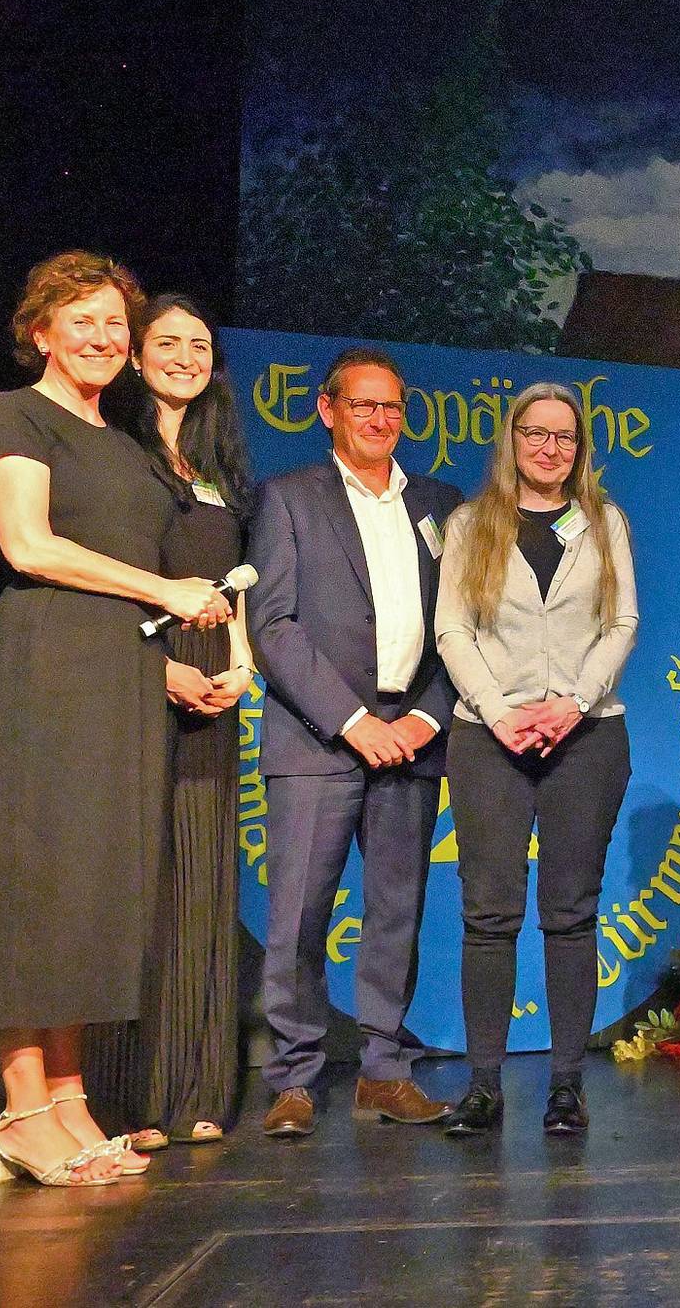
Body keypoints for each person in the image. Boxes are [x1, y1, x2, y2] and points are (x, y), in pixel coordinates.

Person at [0, 252, 231, 1187]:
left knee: (95, 889)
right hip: (47, 664)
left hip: (123, 675)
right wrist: (161, 587)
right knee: (37, 881)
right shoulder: (19, 414)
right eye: (82, 319)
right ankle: (22, 1109)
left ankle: (72, 1099)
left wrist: (171, 659)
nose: (103, 336)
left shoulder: (124, 445)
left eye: (115, 322)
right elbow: (28, 544)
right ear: (40, 331)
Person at [248, 346, 463, 1139]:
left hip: (412, 737)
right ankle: (295, 1078)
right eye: (364, 405)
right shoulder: (287, 499)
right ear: (328, 411)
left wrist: (426, 716)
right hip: (320, 739)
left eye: (392, 407)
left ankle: (384, 1070)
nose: (380, 419)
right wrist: (351, 720)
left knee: (396, 914)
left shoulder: (441, 502)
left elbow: (464, 629)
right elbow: (271, 623)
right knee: (299, 915)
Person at [434, 383, 639, 1139]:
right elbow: (451, 629)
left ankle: (564, 1086)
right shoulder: (470, 524)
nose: (550, 448)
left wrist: (573, 703)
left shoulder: (605, 522)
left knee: (570, 911)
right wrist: (500, 710)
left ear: (581, 449)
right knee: (488, 913)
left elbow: (623, 623)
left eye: (565, 437)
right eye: (537, 433)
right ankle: (483, 1085)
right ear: (512, 438)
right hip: (489, 736)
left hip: (586, 735)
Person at [87, 295, 258, 1150]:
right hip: (134, 688)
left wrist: (240, 671)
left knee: (203, 889)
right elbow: (99, 586)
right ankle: (131, 1100)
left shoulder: (220, 463)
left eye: (199, 343)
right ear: (135, 357)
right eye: (167, 342)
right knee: (140, 888)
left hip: (215, 700)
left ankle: (199, 1089)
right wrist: (158, 669)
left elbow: (237, 585)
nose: (185, 356)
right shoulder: (114, 458)